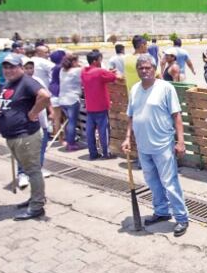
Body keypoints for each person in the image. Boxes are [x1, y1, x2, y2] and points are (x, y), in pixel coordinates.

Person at [121, 55, 189, 236]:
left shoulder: (165, 88)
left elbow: (177, 116)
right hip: (143, 147)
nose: (144, 71)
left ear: (154, 69)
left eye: (147, 67)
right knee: (152, 182)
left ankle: (181, 218)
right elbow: (131, 116)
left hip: (163, 145)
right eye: (141, 68)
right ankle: (161, 211)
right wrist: (127, 138)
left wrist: (180, 141)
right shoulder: (135, 89)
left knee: (170, 183)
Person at [0, 54, 51, 220]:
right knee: (28, 169)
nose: (9, 70)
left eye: (13, 67)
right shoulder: (9, 83)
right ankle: (34, 198)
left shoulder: (27, 81)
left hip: (25, 135)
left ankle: (37, 205)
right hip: (14, 135)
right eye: (6, 67)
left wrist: (33, 114)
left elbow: (45, 96)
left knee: (32, 170)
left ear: (21, 68)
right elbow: (9, 102)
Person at [80, 49, 118, 160]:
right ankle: (106, 153)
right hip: (101, 106)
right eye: (100, 59)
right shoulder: (99, 71)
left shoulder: (84, 71)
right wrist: (112, 72)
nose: (101, 61)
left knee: (90, 131)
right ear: (96, 61)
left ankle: (93, 153)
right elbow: (112, 77)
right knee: (103, 131)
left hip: (90, 106)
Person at [58, 53, 83, 152]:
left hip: (62, 99)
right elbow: (85, 69)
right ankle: (71, 144)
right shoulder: (76, 70)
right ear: (73, 62)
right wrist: (80, 65)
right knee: (72, 122)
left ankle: (69, 141)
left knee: (68, 121)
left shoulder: (62, 70)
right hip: (72, 99)